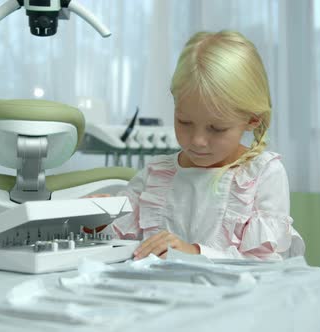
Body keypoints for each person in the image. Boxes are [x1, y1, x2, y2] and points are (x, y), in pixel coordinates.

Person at [102, 30, 305, 261]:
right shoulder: (156, 175)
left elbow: (263, 264)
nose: (197, 140)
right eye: (184, 122)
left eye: (216, 129)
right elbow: (116, 245)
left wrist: (194, 253)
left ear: (252, 119)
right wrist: (91, 218)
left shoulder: (262, 174)